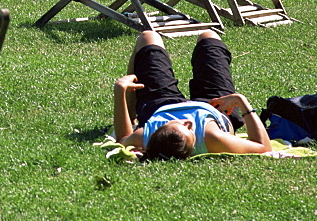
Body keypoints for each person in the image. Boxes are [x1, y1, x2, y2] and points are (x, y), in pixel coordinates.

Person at [113, 30, 272, 161]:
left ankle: (132, 112)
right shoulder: (212, 138)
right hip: (216, 106)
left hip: (161, 105)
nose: (188, 121)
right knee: (209, 37)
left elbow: (122, 139)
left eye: (179, 124)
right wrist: (241, 101)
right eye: (189, 130)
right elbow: (263, 147)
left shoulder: (147, 135)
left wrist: (120, 91)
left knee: (147, 37)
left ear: (157, 130)